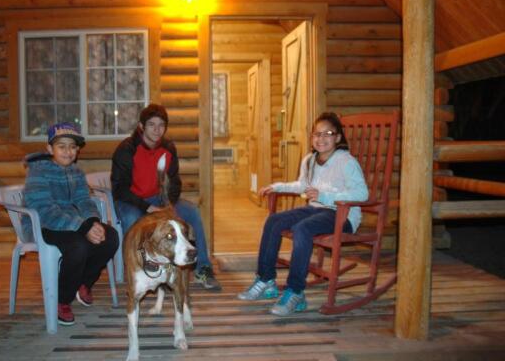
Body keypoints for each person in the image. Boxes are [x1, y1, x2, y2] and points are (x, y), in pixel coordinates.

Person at [237, 112, 368, 315]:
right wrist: (277, 187)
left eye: (328, 133)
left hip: (342, 215)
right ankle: (266, 280)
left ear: (338, 138)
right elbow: (302, 186)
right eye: (317, 134)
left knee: (302, 229)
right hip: (316, 209)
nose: (321, 138)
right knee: (274, 221)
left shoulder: (346, 161)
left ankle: (296, 291)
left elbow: (362, 194)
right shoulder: (310, 160)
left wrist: (324, 196)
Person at [111, 103, 222, 291]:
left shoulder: (169, 148)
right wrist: (147, 207)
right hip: (132, 200)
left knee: (193, 212)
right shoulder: (126, 150)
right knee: (132, 220)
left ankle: (203, 268)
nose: (157, 129)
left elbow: (175, 182)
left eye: (161, 125)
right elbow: (119, 188)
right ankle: (137, 270)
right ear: (141, 126)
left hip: (159, 199)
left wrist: (168, 203)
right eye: (152, 125)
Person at [24, 122, 119, 326]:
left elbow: (85, 201)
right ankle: (62, 299)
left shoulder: (76, 173)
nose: (68, 151)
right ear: (50, 148)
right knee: (78, 246)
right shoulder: (38, 172)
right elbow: (45, 211)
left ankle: (83, 282)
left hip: (70, 223)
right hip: (42, 225)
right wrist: (83, 227)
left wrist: (93, 222)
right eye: (61, 146)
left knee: (110, 237)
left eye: (72, 147)